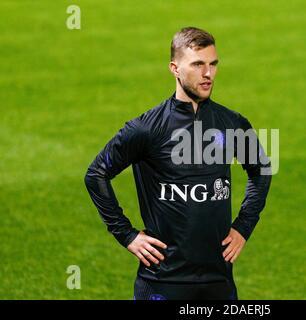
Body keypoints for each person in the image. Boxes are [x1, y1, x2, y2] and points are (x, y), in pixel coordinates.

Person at [84, 26, 272, 300]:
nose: (208, 74)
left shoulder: (231, 124)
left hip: (218, 280)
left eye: (213, 64)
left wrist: (244, 225)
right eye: (198, 65)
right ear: (174, 68)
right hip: (162, 282)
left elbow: (260, 170)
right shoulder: (146, 129)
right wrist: (127, 234)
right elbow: (96, 174)